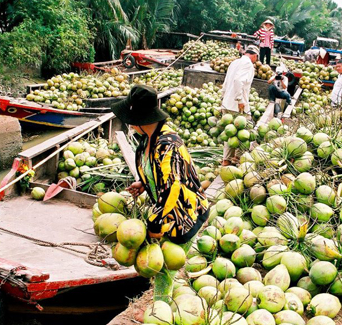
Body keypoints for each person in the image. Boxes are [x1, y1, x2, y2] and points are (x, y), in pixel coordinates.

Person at [111, 85, 209, 302]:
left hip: (184, 213)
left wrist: (154, 226)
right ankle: (165, 298)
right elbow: (158, 173)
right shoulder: (147, 138)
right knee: (162, 264)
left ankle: (160, 309)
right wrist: (144, 184)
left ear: (138, 118)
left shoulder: (168, 145)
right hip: (166, 212)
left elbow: (172, 188)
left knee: (164, 267)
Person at [221, 48, 259, 166]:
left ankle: (226, 160)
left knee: (230, 133)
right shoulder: (248, 63)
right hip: (237, 105)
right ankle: (238, 158)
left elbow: (226, 82)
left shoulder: (234, 62)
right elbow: (238, 80)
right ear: (255, 56)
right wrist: (240, 99)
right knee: (245, 132)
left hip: (227, 103)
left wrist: (222, 98)